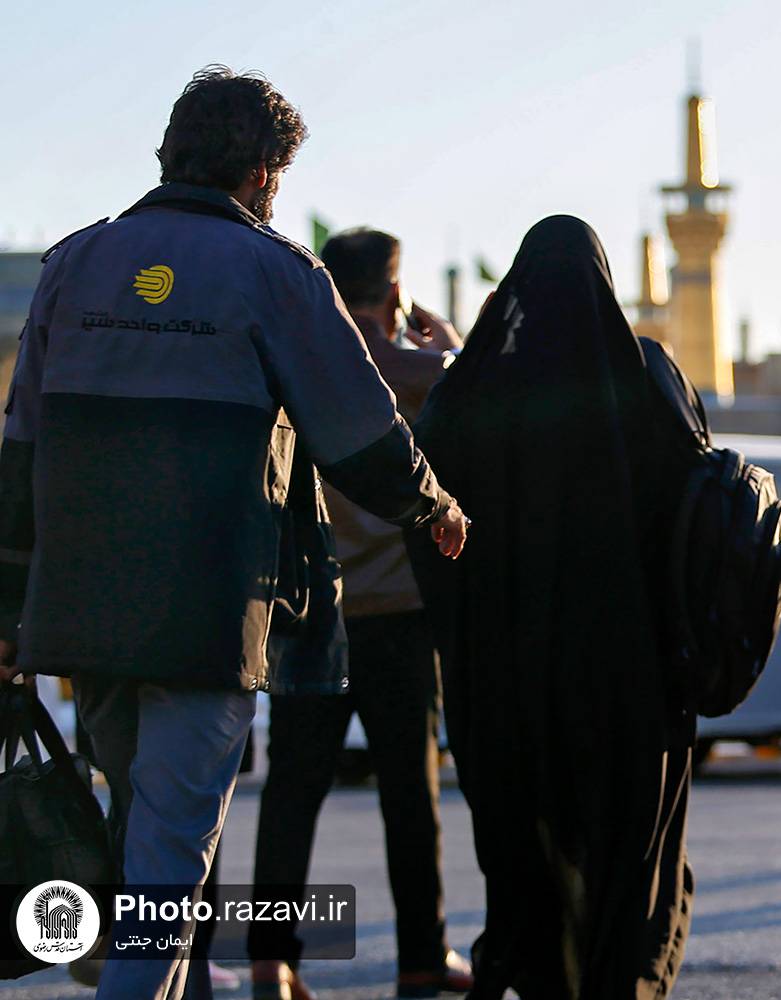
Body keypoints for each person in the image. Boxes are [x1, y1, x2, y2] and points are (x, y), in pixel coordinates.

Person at [0, 67, 467, 1000]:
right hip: (206, 612)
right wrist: (435, 506)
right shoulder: (277, 271)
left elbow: (19, 453)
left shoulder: (73, 262)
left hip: (85, 620)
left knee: (145, 844)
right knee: (168, 865)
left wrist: (9, 611)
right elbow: (357, 432)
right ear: (262, 173)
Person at [406, 216, 697, 999]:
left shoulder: (472, 392)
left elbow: (422, 516)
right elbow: (705, 513)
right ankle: (620, 977)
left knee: (520, 842)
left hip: (503, 677)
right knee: (624, 845)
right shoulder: (649, 380)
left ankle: (532, 969)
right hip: (629, 673)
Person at [248, 228, 472, 1000]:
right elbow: (468, 388)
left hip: (306, 608)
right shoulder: (422, 373)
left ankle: (272, 959)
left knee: (292, 794)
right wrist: (449, 341)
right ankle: (422, 955)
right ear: (393, 289)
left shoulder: (305, 358)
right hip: (398, 613)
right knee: (410, 794)